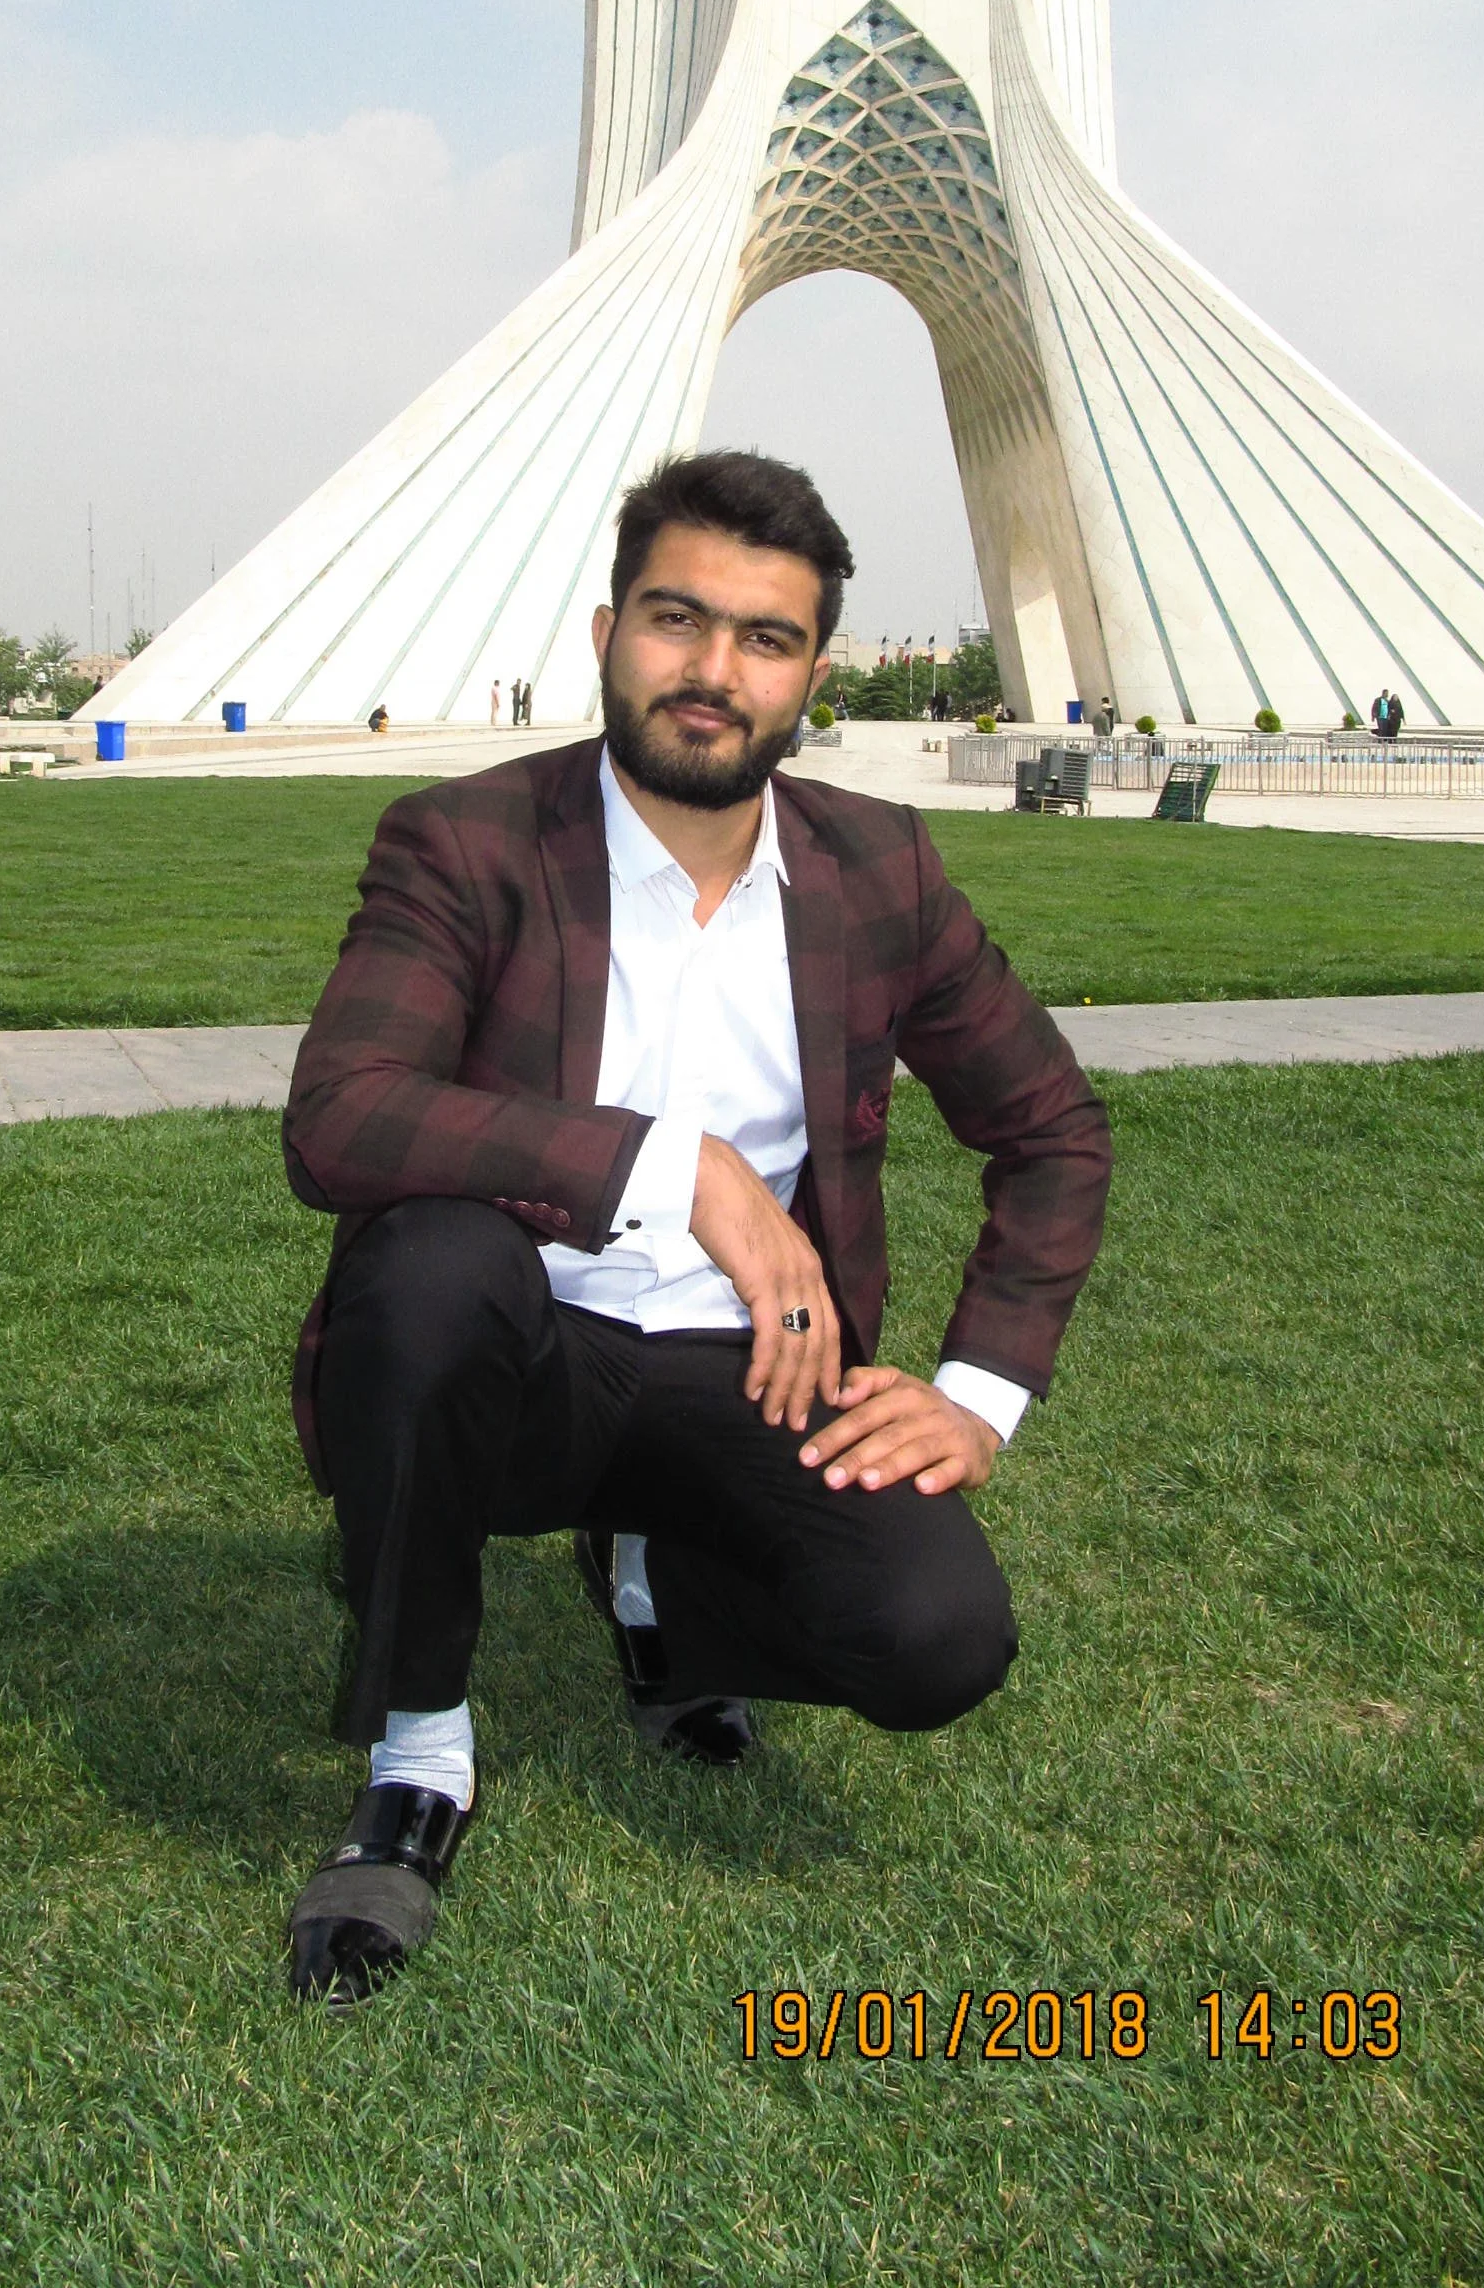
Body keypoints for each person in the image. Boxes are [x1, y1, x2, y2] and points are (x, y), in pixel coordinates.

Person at [279, 450, 1113, 2007]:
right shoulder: (468, 844)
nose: (713, 672)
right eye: (677, 619)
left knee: (936, 1640)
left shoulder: (879, 873)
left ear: (811, 675)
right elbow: (342, 1117)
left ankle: (661, 1591)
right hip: (518, 1355)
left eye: (766, 638)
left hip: (754, 1372)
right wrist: (685, 1171)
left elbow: (1052, 1130)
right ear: (609, 631)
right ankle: (418, 1758)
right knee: (430, 1264)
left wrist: (979, 1393)